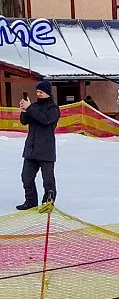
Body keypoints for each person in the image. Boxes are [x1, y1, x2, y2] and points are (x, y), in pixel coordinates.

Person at [17, 80, 60, 211]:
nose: (39, 94)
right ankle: (30, 201)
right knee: (26, 178)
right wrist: (24, 110)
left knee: (48, 181)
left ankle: (48, 203)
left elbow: (45, 120)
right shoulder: (33, 106)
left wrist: (29, 108)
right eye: (37, 92)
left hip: (46, 150)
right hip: (31, 149)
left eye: (41, 92)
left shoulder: (53, 108)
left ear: (47, 92)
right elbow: (24, 122)